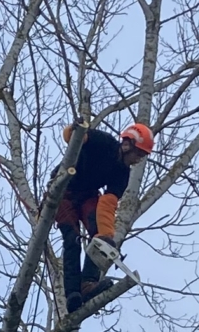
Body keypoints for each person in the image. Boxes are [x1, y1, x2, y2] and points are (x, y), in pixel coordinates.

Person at [56, 119, 153, 311]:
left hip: (88, 195)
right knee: (72, 239)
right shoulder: (104, 142)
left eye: (142, 156)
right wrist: (75, 131)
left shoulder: (122, 174)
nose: (138, 159)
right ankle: (73, 294)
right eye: (138, 154)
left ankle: (88, 283)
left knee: (99, 234)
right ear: (127, 144)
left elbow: (108, 205)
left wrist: (106, 236)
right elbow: (72, 137)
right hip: (63, 192)